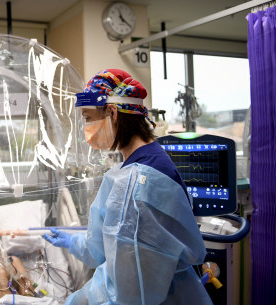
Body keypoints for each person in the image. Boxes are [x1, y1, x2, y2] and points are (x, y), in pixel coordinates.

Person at [43, 69, 212, 305]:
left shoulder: (138, 182)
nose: (87, 128)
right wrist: (73, 242)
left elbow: (130, 292)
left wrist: (77, 301)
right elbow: (105, 247)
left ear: (112, 112)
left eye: (89, 118)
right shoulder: (148, 159)